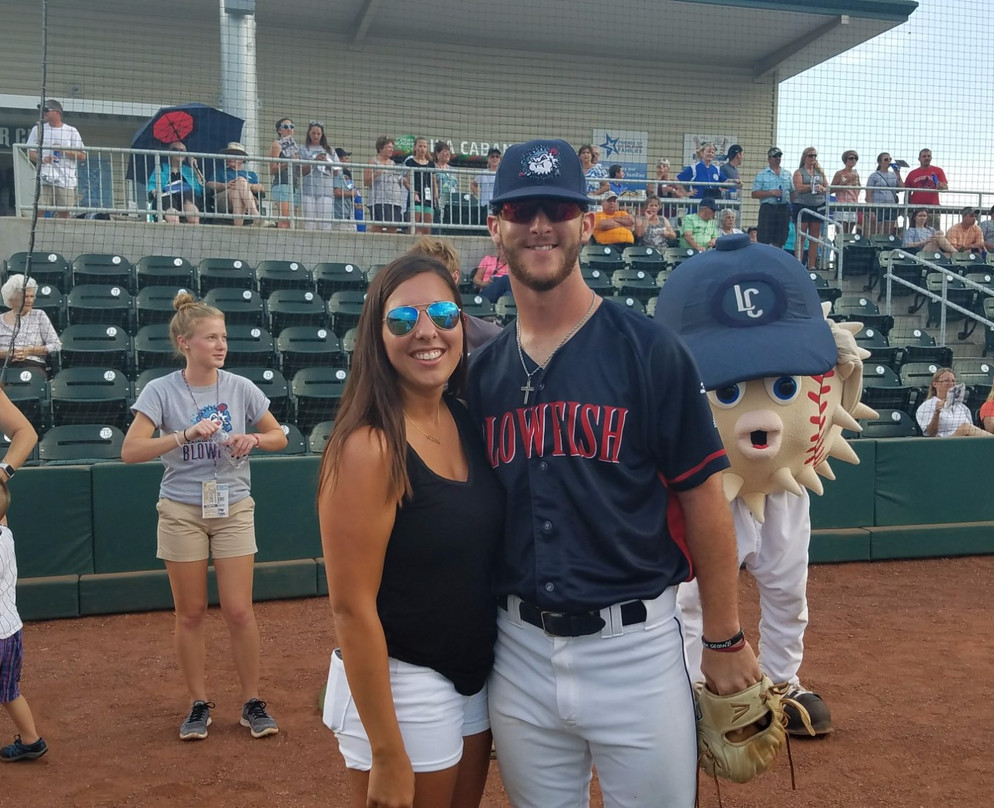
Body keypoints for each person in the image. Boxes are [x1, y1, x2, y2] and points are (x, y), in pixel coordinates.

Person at [468, 138, 760, 808]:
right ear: (496, 226)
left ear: (587, 220)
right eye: (521, 209)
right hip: (517, 652)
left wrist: (723, 636)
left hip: (636, 652)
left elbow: (706, 499)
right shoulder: (480, 374)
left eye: (558, 207)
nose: (540, 224)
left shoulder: (650, 350)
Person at [318, 253, 502, 808]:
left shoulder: (467, 417)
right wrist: (387, 752)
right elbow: (350, 608)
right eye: (402, 320)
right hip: (402, 682)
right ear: (378, 335)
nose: (427, 332)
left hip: (473, 675)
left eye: (444, 314)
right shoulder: (367, 446)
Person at [121, 292, 288, 741]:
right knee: (190, 613)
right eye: (210, 337)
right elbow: (131, 451)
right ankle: (198, 703)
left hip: (233, 505)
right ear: (184, 343)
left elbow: (279, 437)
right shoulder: (160, 390)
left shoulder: (239, 386)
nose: (220, 345)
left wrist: (253, 440)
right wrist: (182, 435)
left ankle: (252, 701)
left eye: (224, 337)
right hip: (180, 509)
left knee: (238, 610)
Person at [0, 391, 43, 762]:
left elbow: (25, 432)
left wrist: (1, 473)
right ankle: (30, 739)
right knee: (9, 688)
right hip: (9, 628)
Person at [409, 237, 503, 353]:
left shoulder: (493, 337)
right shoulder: (398, 330)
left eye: (433, 277)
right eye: (417, 277)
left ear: (454, 278)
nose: (424, 284)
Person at [24, 99, 85, 218]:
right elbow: (30, 153)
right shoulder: (38, 129)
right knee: (40, 208)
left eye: (46, 110)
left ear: (57, 112)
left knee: (65, 211)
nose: (43, 113)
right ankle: (39, 233)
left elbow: (82, 155)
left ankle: (61, 234)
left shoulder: (71, 131)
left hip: (66, 179)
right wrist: (42, 159)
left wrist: (64, 150)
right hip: (44, 178)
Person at [0, 275, 61, 372]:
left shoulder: (39, 315)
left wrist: (29, 351)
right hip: (3, 364)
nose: (30, 301)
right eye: (25, 297)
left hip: (32, 365)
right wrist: (7, 353)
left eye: (32, 296)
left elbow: (56, 345)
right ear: (11, 299)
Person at [205, 143, 272, 227]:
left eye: (235, 155)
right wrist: (225, 185)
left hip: (245, 198)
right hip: (224, 200)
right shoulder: (220, 171)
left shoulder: (251, 174)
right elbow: (209, 184)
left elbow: (261, 188)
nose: (232, 157)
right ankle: (256, 215)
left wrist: (247, 185)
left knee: (237, 190)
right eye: (230, 155)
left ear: (242, 159)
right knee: (240, 182)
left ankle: (238, 227)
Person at [915, 368, 990, 437]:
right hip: (941, 443)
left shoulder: (962, 407)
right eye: (947, 381)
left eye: (953, 381)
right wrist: (936, 413)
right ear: (935, 384)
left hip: (964, 442)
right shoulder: (926, 406)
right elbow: (931, 433)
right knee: (965, 427)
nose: (951, 384)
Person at [146, 142, 204, 224]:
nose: (179, 152)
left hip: (187, 196)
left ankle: (194, 228)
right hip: (167, 196)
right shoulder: (160, 168)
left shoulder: (189, 170)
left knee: (189, 197)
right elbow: (151, 185)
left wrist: (195, 168)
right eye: (175, 150)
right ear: (169, 153)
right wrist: (154, 191)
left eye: (182, 150)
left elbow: (200, 189)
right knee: (169, 202)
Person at [298, 121, 340, 231]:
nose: (316, 136)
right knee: (309, 223)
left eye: (318, 134)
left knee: (325, 223)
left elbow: (337, 171)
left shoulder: (330, 150)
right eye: (313, 133)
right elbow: (301, 171)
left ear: (322, 135)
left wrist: (328, 162)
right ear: (309, 134)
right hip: (308, 189)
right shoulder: (303, 149)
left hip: (325, 190)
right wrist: (313, 161)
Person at [791, 147, 828, 270]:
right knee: (801, 236)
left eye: (815, 156)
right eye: (810, 155)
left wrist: (821, 189)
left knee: (814, 237)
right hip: (802, 205)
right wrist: (811, 186)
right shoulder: (799, 172)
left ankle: (811, 265)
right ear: (805, 157)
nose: (813, 158)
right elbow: (799, 188)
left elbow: (827, 188)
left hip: (818, 204)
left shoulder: (820, 173)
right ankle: (798, 264)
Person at [751, 147, 794, 249]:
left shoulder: (787, 174)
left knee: (780, 238)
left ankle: (777, 259)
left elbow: (793, 192)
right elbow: (754, 194)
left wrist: (791, 207)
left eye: (779, 156)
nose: (777, 158)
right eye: (775, 156)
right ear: (769, 158)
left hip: (783, 209)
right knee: (764, 238)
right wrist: (770, 193)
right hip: (768, 208)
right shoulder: (761, 175)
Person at [367, 136, 408, 234]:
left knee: (393, 226)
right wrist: (377, 173)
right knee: (377, 226)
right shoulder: (373, 161)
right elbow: (366, 181)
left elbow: (400, 180)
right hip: (379, 200)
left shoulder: (393, 163)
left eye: (392, 148)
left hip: (394, 200)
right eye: (389, 147)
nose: (391, 150)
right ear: (381, 148)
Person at [268, 117, 300, 228]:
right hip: (282, 184)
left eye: (291, 126)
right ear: (279, 130)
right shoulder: (277, 144)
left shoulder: (293, 147)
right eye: (285, 127)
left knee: (291, 220)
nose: (289, 129)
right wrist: (287, 163)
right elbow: (272, 168)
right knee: (285, 217)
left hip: (294, 185)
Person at [865, 152, 902, 235]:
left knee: (888, 232)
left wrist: (898, 173)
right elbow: (868, 194)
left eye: (890, 159)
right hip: (878, 206)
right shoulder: (874, 175)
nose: (888, 161)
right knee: (875, 232)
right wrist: (871, 210)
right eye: (886, 159)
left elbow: (902, 188)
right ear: (880, 162)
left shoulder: (893, 175)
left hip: (891, 206)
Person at [404, 137, 435, 234]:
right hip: (415, 196)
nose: (422, 149)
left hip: (427, 196)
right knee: (414, 226)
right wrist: (412, 191)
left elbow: (434, 182)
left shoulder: (431, 164)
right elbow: (406, 181)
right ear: (415, 148)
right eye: (420, 146)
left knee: (427, 227)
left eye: (425, 146)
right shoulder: (410, 162)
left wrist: (435, 196)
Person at [830, 150, 861, 233]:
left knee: (849, 232)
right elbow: (831, 190)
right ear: (845, 160)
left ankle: (846, 245)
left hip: (853, 204)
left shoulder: (856, 174)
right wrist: (845, 182)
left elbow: (859, 189)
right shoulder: (839, 173)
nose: (853, 160)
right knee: (841, 230)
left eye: (855, 159)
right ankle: (838, 245)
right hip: (841, 204)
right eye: (851, 158)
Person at [333, 147, 361, 232]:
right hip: (339, 212)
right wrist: (352, 193)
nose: (347, 160)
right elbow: (336, 192)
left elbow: (349, 188)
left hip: (349, 210)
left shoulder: (347, 172)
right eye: (345, 158)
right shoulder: (336, 172)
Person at [432, 140, 458, 230]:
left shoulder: (452, 169)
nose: (447, 154)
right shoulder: (433, 167)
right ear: (437, 154)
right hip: (438, 201)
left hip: (451, 202)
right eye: (444, 151)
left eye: (448, 152)